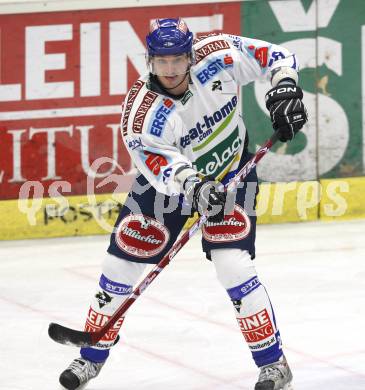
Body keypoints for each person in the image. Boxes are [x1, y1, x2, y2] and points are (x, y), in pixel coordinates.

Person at [59, 18, 307, 390]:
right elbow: (162, 166)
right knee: (120, 263)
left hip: (230, 170)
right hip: (167, 187)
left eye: (177, 59)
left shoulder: (218, 54)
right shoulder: (141, 115)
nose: (170, 69)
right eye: (162, 61)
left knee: (232, 266)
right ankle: (91, 356)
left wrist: (285, 87)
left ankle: (274, 364)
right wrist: (194, 186)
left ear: (190, 54)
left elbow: (277, 55)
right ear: (150, 60)